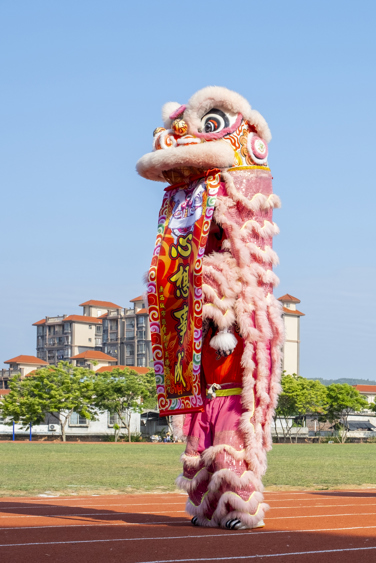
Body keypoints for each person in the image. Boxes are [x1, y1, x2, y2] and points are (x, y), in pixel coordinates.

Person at [137, 87, 284, 530]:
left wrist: (223, 316)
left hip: (232, 341)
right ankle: (206, 505)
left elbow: (245, 261)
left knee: (232, 427)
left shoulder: (240, 219)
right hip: (202, 352)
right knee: (200, 428)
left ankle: (240, 507)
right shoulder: (190, 213)